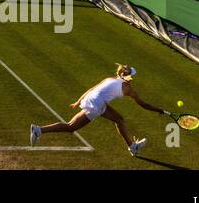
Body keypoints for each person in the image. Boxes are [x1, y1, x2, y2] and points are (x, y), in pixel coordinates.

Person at [30, 64, 163, 156]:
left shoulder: (109, 79)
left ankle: (132, 147)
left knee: (119, 119)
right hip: (96, 104)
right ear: (125, 75)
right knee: (71, 127)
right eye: (131, 75)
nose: (132, 78)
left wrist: (78, 101)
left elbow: (92, 89)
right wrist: (158, 110)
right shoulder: (127, 88)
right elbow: (143, 104)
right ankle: (38, 130)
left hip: (91, 99)